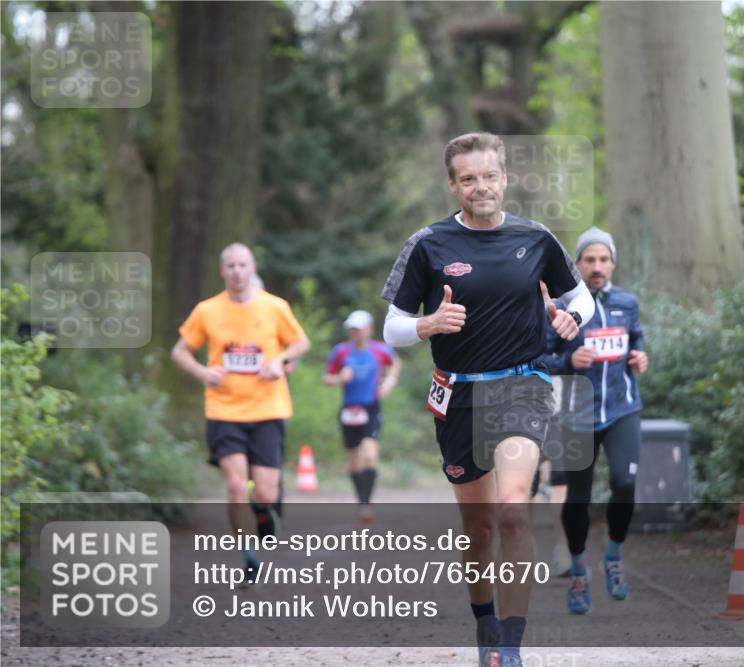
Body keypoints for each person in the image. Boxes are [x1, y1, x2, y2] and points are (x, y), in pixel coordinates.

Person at [380, 132, 595, 667]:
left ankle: (512, 647)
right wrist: (428, 324)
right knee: (477, 527)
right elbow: (392, 328)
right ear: (453, 184)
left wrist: (571, 318)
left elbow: (581, 298)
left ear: (505, 178)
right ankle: (485, 627)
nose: (481, 186)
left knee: (513, 511)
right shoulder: (428, 244)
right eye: (469, 178)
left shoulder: (536, 237)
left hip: (523, 386)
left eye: (489, 175)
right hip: (458, 395)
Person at [172, 243, 310, 581]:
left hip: (268, 407)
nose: (236, 270)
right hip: (224, 409)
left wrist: (280, 360)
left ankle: (263, 511)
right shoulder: (207, 310)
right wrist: (203, 373)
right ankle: (249, 558)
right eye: (230, 265)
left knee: (264, 490)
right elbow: (180, 352)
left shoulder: (274, 307)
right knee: (235, 485)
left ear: (252, 268)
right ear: (223, 271)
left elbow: (300, 343)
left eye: (242, 264)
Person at [543, 226, 648, 615]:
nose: (598, 266)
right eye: (590, 260)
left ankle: (614, 556)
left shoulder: (627, 302)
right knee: (579, 498)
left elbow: (636, 341)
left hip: (622, 410)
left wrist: (640, 357)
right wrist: (569, 361)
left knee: (625, 482)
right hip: (578, 414)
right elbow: (542, 358)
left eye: (604, 260)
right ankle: (579, 569)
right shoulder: (562, 307)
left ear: (613, 264)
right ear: (578, 264)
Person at [323, 309, 401, 524]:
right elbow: (326, 378)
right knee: (354, 462)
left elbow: (395, 364)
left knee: (369, 455)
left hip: (371, 408)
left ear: (369, 330)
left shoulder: (379, 350)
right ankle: (362, 501)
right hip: (349, 409)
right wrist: (340, 378)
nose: (354, 333)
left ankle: (365, 506)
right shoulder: (340, 352)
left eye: (358, 329)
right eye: (351, 329)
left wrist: (389, 382)